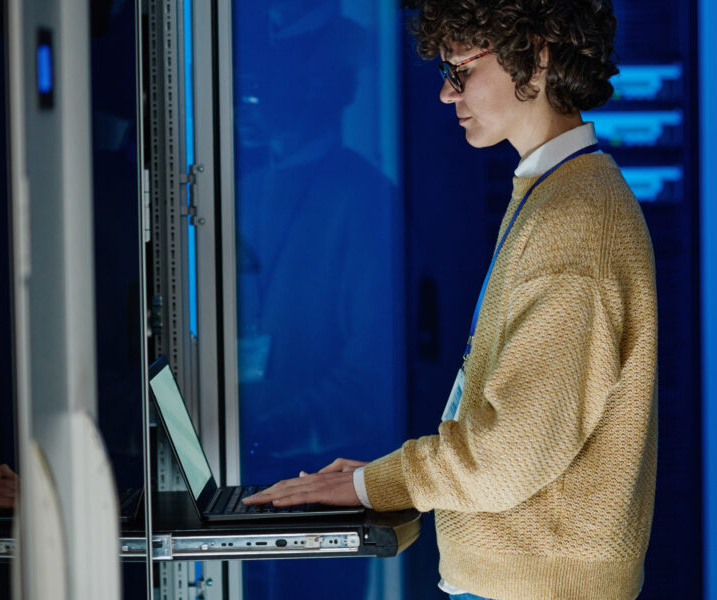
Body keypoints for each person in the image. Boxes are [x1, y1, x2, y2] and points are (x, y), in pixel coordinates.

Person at [244, 1, 658, 599]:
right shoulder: (552, 194)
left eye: (458, 70)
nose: (444, 93)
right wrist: (375, 480)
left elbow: (509, 457)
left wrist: (375, 487)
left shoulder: (575, 218)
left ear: (536, 56)